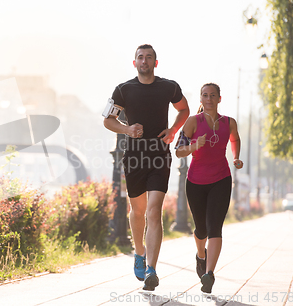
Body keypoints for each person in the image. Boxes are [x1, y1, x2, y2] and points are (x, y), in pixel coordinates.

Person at [103, 44, 189, 291]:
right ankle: (139, 252)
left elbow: (184, 109)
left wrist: (173, 130)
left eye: (148, 57)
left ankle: (151, 268)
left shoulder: (168, 87)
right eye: (140, 57)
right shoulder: (123, 90)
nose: (144, 61)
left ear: (155, 62)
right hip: (134, 158)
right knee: (137, 211)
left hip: (160, 156)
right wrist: (127, 129)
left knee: (154, 212)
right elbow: (108, 120)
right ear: (134, 63)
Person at [175, 83, 243, 294]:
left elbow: (235, 138)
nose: (209, 99)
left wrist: (237, 157)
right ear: (201, 99)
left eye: (213, 95)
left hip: (221, 179)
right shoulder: (193, 122)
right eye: (205, 95)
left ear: (219, 99)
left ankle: (209, 274)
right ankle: (200, 256)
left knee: (215, 227)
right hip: (195, 181)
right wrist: (195, 146)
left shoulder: (229, 122)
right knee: (201, 229)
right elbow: (178, 150)